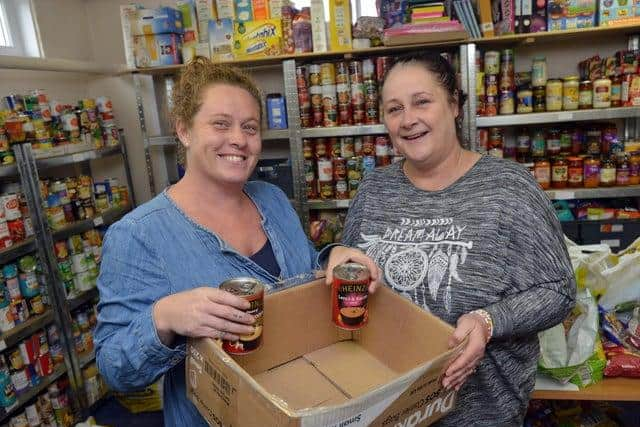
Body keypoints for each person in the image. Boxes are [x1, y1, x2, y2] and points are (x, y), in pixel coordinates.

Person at [94, 57, 382, 426]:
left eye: (249, 127)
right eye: (220, 124)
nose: (238, 140)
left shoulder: (272, 199)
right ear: (184, 130)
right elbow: (115, 369)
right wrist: (163, 318)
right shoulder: (138, 235)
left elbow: (304, 278)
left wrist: (332, 259)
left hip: (306, 403)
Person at [341, 52, 576, 426]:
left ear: (453, 104)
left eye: (422, 102)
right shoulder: (374, 189)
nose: (408, 120)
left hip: (479, 415)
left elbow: (559, 290)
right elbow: (348, 278)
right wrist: (335, 257)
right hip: (384, 410)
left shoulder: (508, 187)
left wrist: (488, 321)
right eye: (394, 109)